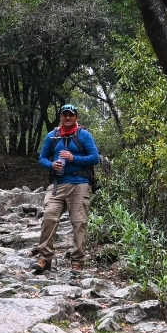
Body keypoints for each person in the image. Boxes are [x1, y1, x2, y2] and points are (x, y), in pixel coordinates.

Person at [31, 103, 100, 273]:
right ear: (61, 117)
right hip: (57, 183)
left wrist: (73, 158)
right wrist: (51, 165)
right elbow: (42, 159)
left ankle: (77, 262)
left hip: (80, 183)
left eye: (71, 115)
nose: (68, 117)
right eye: (65, 115)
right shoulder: (51, 136)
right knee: (49, 217)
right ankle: (45, 259)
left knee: (78, 222)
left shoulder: (84, 135)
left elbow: (94, 158)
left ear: (76, 117)